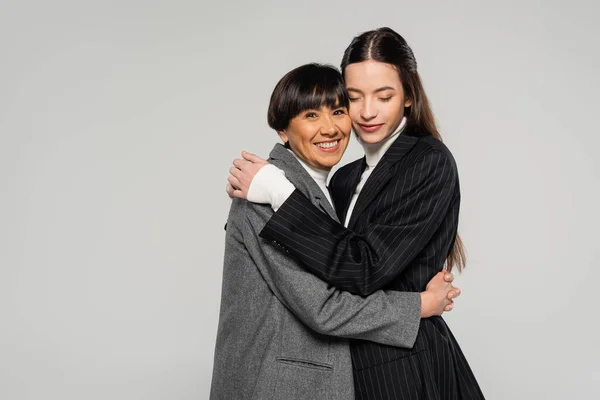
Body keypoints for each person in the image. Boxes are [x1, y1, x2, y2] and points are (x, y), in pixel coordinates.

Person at [227, 28, 484, 399]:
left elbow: (364, 268)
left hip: (402, 366)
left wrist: (279, 191)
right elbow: (323, 276)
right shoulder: (344, 178)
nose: (366, 112)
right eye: (354, 97)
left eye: (384, 96)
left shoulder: (428, 161)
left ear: (409, 97)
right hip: (348, 368)